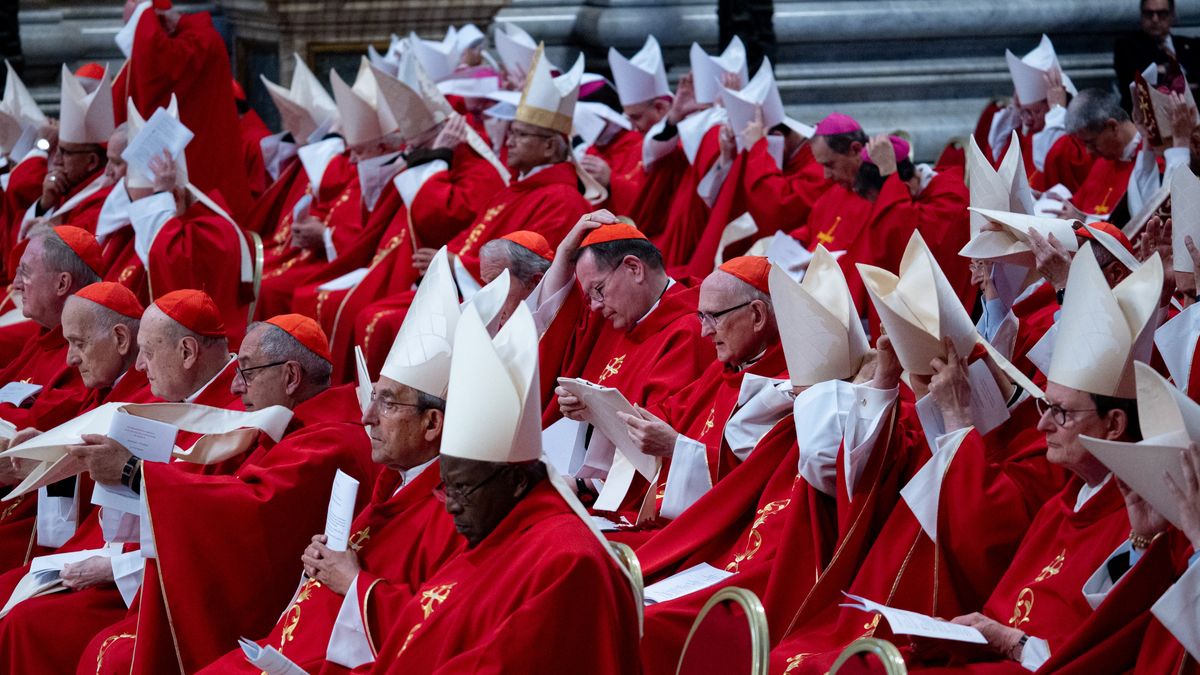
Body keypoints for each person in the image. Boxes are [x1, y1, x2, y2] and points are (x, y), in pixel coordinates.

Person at [199, 252, 467, 674]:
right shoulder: (395, 484)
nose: (366, 417)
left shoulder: (456, 511)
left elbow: (442, 631)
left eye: (388, 402)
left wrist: (354, 583)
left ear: (433, 423)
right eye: (371, 397)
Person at [78, 309, 375, 674]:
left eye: (246, 371)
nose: (235, 387)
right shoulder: (292, 424)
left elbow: (251, 510)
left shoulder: (331, 439)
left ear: (291, 376)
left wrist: (133, 472)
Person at [365, 302, 640, 673]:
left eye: (462, 489)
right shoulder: (494, 532)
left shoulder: (568, 561)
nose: (451, 506)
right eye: (446, 489)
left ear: (517, 481)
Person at [352, 46, 590, 376]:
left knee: (381, 321)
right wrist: (444, 261)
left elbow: (538, 275)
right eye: (512, 132)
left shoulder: (563, 200)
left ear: (549, 145)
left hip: (501, 310)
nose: (508, 141)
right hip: (468, 292)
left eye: (520, 135)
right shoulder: (516, 190)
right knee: (371, 311)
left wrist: (455, 264)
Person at [114, 0, 252, 219]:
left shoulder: (195, 48)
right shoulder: (196, 42)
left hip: (204, 178)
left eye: (138, 31)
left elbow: (155, 62)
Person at [1114, 0, 1200, 113]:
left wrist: (1165, 72)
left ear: (1172, 15)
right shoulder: (1127, 47)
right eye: (1149, 14)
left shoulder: (1192, 45)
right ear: (1141, 15)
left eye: (1162, 14)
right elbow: (1138, 83)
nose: (1155, 19)